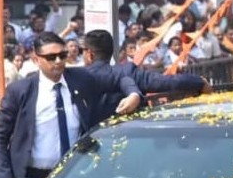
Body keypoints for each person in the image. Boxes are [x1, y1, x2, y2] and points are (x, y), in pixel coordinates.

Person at [0, 32, 142, 178]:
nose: (58, 61)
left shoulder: (80, 78)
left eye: (62, 55)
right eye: (51, 57)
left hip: (76, 174)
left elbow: (119, 78)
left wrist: (133, 94)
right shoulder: (21, 90)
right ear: (37, 60)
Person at [82, 30, 211, 124]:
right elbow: (166, 82)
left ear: (89, 54)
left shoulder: (75, 79)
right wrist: (198, 82)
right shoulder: (127, 72)